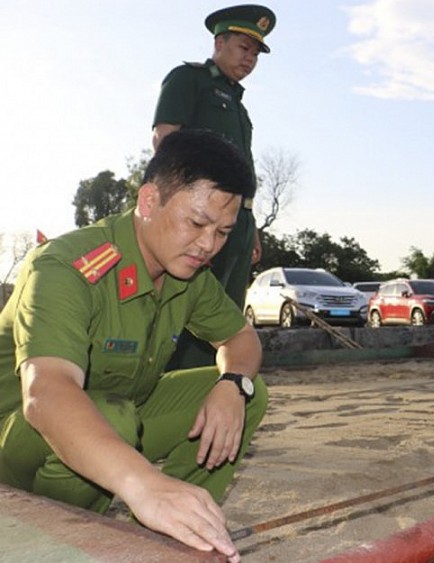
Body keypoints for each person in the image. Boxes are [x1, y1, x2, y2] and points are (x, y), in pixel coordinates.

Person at [0, 130, 268, 562]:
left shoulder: (188, 272)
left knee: (245, 394)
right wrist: (143, 483)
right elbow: (45, 395)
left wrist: (234, 384)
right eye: (197, 223)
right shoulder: (66, 266)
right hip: (15, 445)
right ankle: (58, 544)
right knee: (113, 416)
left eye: (222, 232)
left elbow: (241, 337)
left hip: (120, 420)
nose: (208, 246)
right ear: (148, 201)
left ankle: (183, 526)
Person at [152, 4, 276, 370]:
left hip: (235, 222)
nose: (250, 58)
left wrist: (249, 225)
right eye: (243, 47)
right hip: (200, 217)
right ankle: (174, 384)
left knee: (226, 311)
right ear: (219, 42)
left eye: (256, 53)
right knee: (187, 305)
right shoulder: (188, 80)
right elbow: (165, 140)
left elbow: (243, 172)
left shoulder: (240, 108)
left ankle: (209, 384)